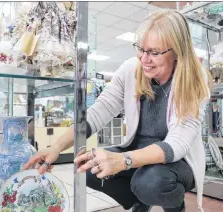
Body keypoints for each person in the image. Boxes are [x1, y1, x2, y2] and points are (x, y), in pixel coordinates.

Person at [23, 9, 212, 212]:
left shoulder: (193, 78)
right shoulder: (131, 69)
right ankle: (139, 200)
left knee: (150, 182)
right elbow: (96, 114)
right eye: (141, 48)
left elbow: (177, 145)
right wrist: (57, 147)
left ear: (177, 52)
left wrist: (123, 160)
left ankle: (174, 205)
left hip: (177, 162)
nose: (144, 58)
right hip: (138, 151)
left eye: (154, 52)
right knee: (87, 167)